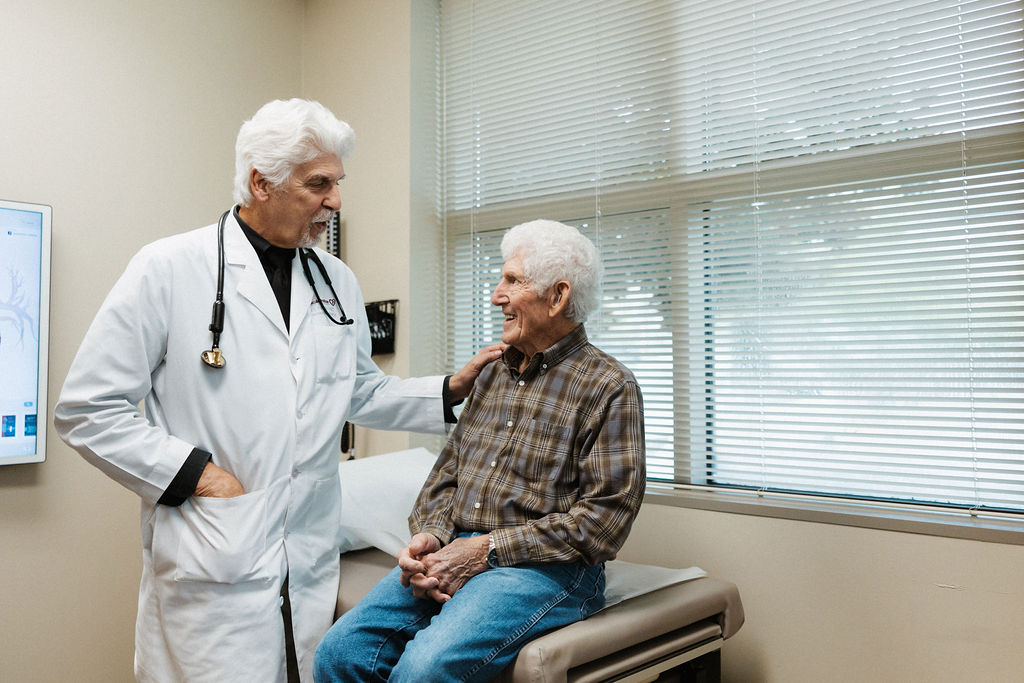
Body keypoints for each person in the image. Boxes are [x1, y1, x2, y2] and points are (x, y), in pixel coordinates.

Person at [53, 98, 502, 683]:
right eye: (319, 184)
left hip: (308, 556)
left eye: (337, 183)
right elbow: (87, 408)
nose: (335, 201)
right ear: (261, 183)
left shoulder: (335, 279)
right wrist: (201, 475)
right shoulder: (167, 268)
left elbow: (356, 389)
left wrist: (448, 389)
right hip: (214, 551)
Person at [313, 219, 647, 682]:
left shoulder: (609, 385)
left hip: (547, 570)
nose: (496, 295)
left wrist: (486, 550)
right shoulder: (492, 373)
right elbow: (447, 474)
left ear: (558, 296)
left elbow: (604, 522)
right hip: (458, 551)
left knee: (422, 672)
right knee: (340, 652)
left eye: (512, 280)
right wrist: (430, 535)